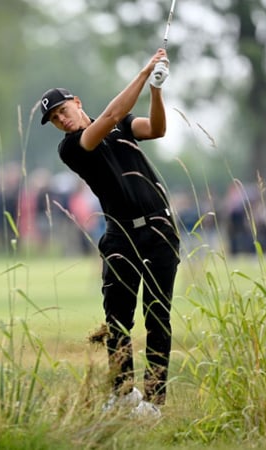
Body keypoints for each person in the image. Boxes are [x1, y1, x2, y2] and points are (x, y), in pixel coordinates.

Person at [38, 48, 180, 415]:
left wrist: (157, 90)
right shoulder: (72, 147)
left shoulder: (123, 124)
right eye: (54, 119)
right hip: (119, 236)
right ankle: (123, 393)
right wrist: (145, 71)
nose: (61, 120)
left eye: (63, 111)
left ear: (76, 102)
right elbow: (112, 114)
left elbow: (158, 129)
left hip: (158, 229)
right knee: (118, 319)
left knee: (157, 314)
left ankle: (154, 400)